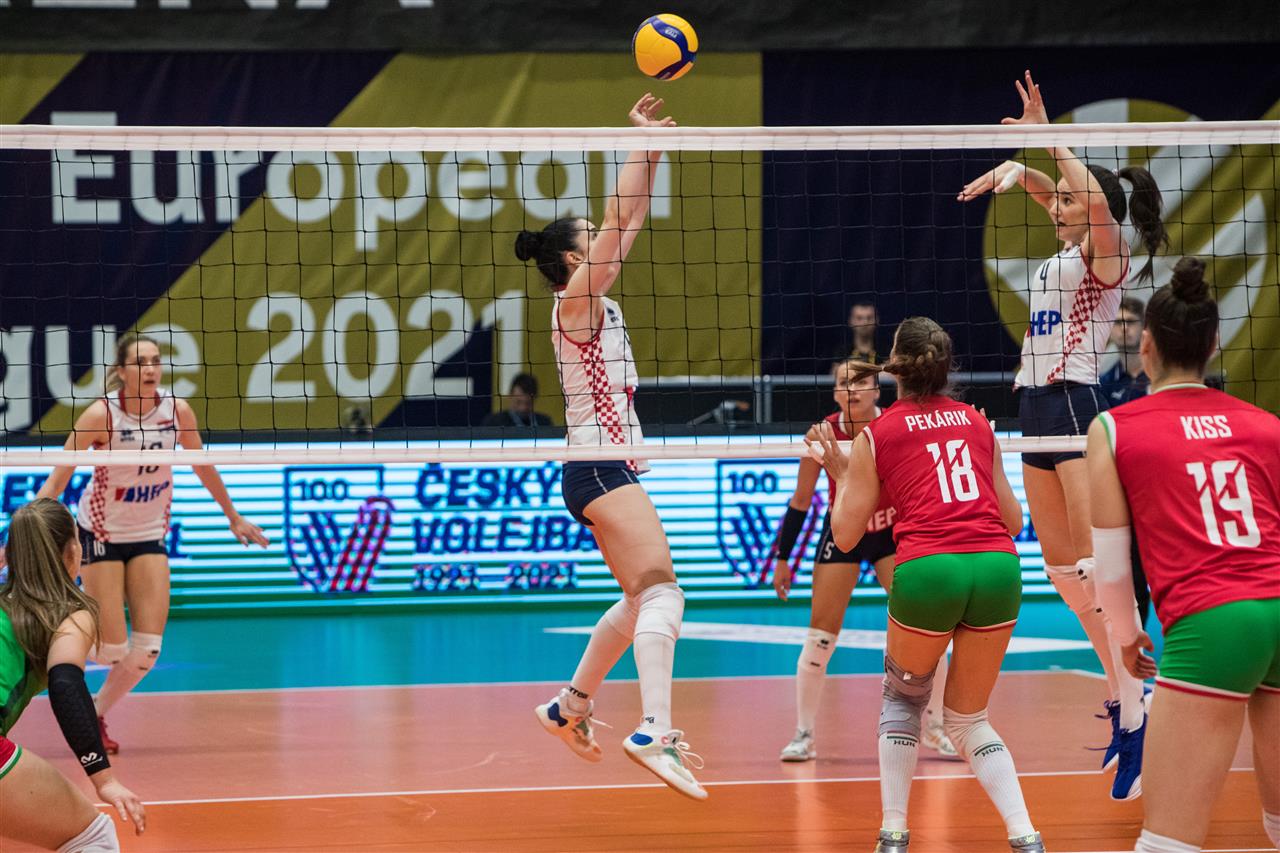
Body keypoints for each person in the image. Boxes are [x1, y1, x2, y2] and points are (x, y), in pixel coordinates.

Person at [958, 69, 1168, 799]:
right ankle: (1126, 699)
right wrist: (1021, 173)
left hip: (1076, 405)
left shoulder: (1109, 256)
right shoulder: (1063, 250)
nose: (1058, 206)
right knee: (1060, 572)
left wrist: (1047, 137)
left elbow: (1089, 201)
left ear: (1096, 208)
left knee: (1095, 570)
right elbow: (1065, 197)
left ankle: (1140, 712)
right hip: (1034, 412)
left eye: (1068, 200)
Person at [516, 95, 705, 801]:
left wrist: (651, 151)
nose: (605, 238)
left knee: (637, 597)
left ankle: (568, 706)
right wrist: (637, 147)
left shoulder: (593, 298)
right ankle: (655, 729)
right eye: (590, 237)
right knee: (663, 591)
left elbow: (630, 220)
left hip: (603, 464)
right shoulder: (575, 304)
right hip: (596, 463)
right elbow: (621, 222)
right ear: (574, 257)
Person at [815, 316, 1042, 853]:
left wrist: (842, 474)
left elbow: (846, 536)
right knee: (969, 719)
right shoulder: (977, 422)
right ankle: (1025, 836)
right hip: (997, 567)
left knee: (903, 700)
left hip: (930, 569)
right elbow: (1013, 521)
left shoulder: (877, 434)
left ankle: (893, 833)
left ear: (894, 366)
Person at [1088, 258, 1280, 853]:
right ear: (1214, 344)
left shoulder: (1114, 429)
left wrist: (1127, 639)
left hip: (1214, 622)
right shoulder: (1267, 426)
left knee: (1167, 842)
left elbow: (1112, 571)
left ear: (1146, 346)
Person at [36, 333, 269, 753]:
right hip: (101, 534)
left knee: (146, 650)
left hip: (148, 534)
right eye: (141, 362)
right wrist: (20, 537)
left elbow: (202, 464)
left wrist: (233, 516)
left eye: (156, 361)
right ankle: (52, 644)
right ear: (121, 371)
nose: (151, 369)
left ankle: (93, 713)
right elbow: (58, 478)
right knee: (112, 649)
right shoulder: (102, 414)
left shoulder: (176, 411)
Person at [772, 360, 957, 762]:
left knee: (926, 626)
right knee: (820, 637)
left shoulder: (895, 425)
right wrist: (783, 558)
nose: (852, 389)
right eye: (844, 382)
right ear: (834, 392)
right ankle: (804, 734)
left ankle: (936, 726)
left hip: (889, 532)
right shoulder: (821, 434)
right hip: (844, 532)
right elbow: (801, 501)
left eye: (861, 382)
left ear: (878, 390)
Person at [1, 499, 146, 852]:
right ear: (72, 553)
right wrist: (103, 779)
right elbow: (66, 685)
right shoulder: (69, 615)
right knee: (92, 837)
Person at [1099, 296, 1150, 407]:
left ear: (1144, 326)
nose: (1124, 328)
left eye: (1130, 321)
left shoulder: (1161, 375)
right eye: (1118, 322)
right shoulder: (1105, 382)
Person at [481, 372, 553, 428]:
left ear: (535, 399)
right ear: (510, 396)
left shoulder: (545, 423)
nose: (523, 408)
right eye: (518, 402)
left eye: (528, 403)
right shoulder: (493, 423)